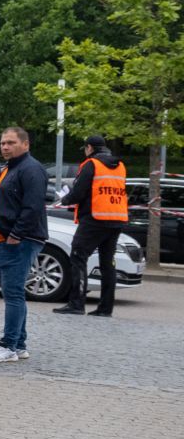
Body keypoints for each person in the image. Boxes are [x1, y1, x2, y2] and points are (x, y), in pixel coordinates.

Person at [0, 126, 49, 363]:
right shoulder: (10, 168)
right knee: (13, 293)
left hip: (17, 241)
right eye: (2, 143)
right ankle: (19, 344)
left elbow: (33, 206)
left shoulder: (31, 169)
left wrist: (16, 234)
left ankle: (8, 345)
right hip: (3, 238)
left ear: (25, 144)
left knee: (13, 294)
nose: (5, 147)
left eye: (10, 142)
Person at [54, 134, 127, 317]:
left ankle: (76, 304)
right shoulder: (120, 165)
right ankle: (105, 308)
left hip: (95, 219)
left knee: (78, 258)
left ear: (89, 148)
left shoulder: (91, 164)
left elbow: (79, 192)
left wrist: (65, 200)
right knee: (108, 264)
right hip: (117, 219)